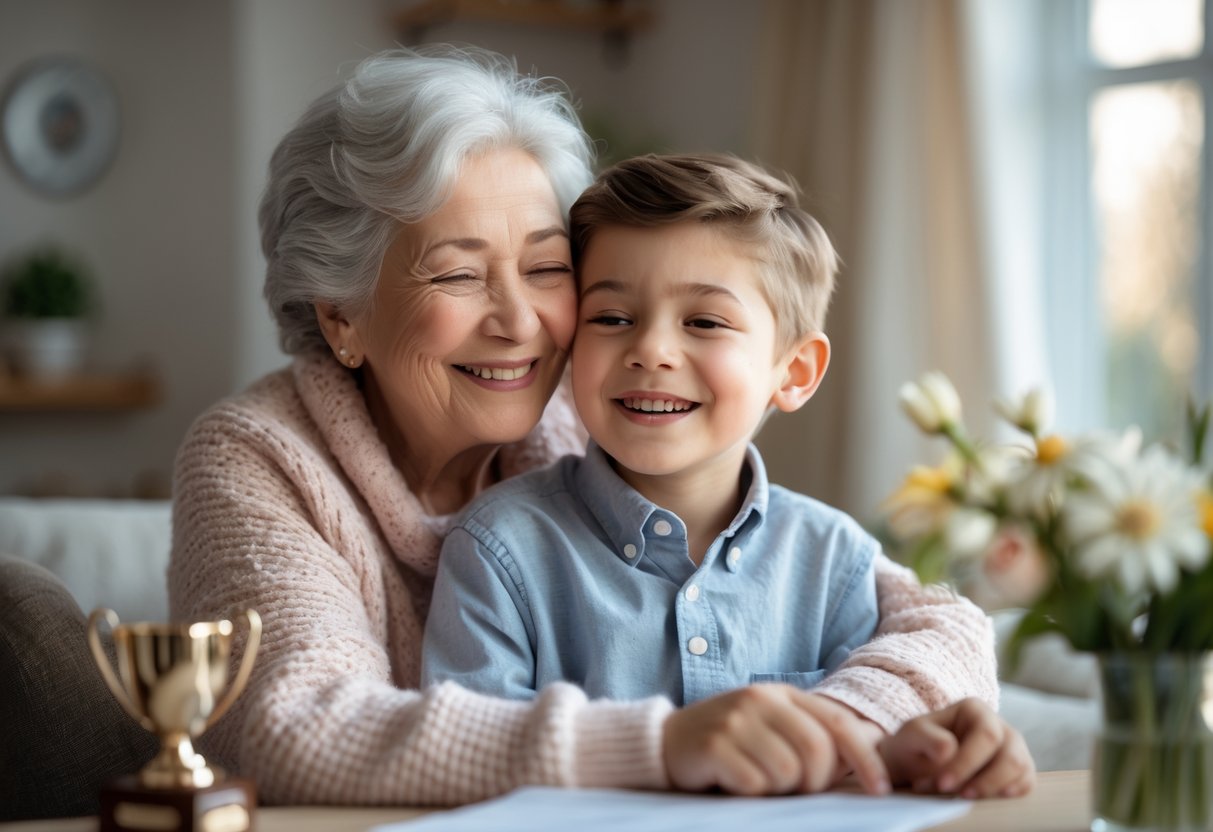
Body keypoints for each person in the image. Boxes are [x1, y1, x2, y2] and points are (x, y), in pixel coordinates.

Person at [169, 45, 1002, 807]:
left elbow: (943, 623)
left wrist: (838, 733)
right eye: (458, 273)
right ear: (342, 315)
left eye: (545, 268)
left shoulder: (605, 407)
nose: (521, 322)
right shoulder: (258, 457)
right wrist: (659, 743)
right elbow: (298, 730)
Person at [422, 153, 1034, 798]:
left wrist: (931, 751)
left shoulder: (836, 561)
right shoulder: (499, 549)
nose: (651, 349)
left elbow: (868, 755)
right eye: (611, 318)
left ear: (794, 371)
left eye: (704, 322)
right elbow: (470, 757)